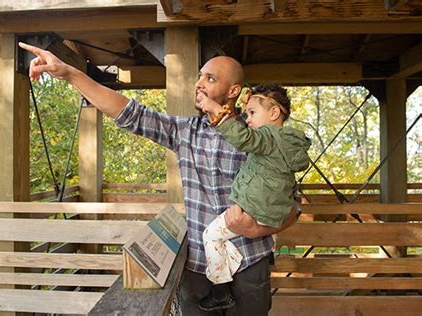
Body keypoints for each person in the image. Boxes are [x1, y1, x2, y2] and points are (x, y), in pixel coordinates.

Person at [18, 42, 300, 315]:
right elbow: (129, 112)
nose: (199, 83)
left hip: (250, 264)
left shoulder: (261, 138)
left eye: (210, 78)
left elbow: (294, 206)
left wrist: (258, 230)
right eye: (199, 76)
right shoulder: (185, 131)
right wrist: (69, 73)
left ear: (233, 91)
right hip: (199, 267)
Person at [196, 84, 311, 311]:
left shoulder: (269, 136)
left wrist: (214, 109)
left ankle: (220, 291)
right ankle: (229, 271)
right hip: (271, 213)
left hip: (253, 209)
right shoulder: (289, 143)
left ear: (274, 113)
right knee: (222, 239)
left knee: (209, 236)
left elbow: (243, 139)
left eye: (252, 113)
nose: (247, 119)